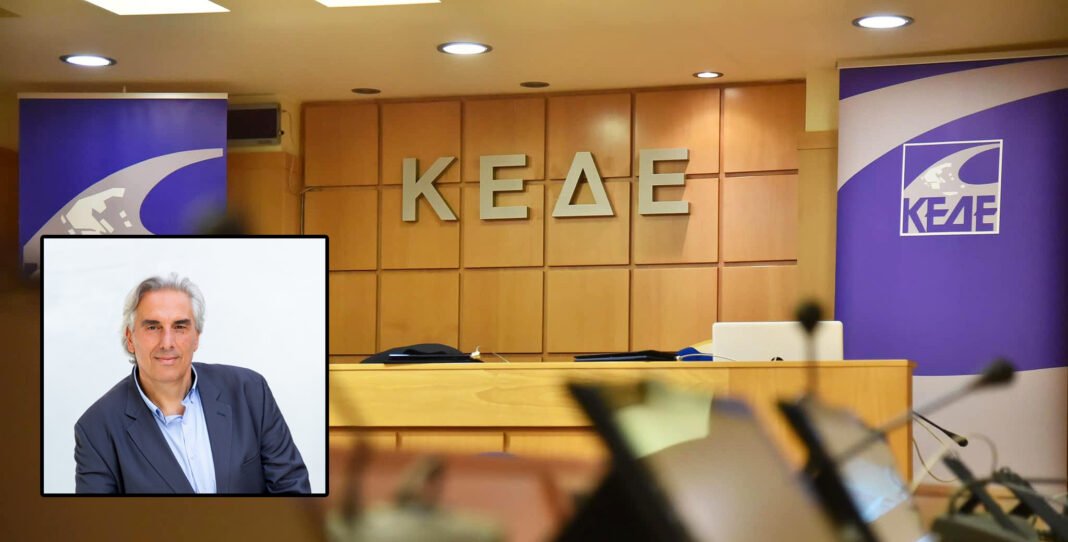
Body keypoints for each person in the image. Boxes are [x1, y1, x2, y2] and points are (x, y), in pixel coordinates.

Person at [74, 273, 310, 494]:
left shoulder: (250, 392)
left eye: (180, 327)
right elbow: (99, 520)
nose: (167, 342)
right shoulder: (96, 429)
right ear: (130, 338)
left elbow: (293, 493)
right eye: (153, 327)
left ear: (196, 336)